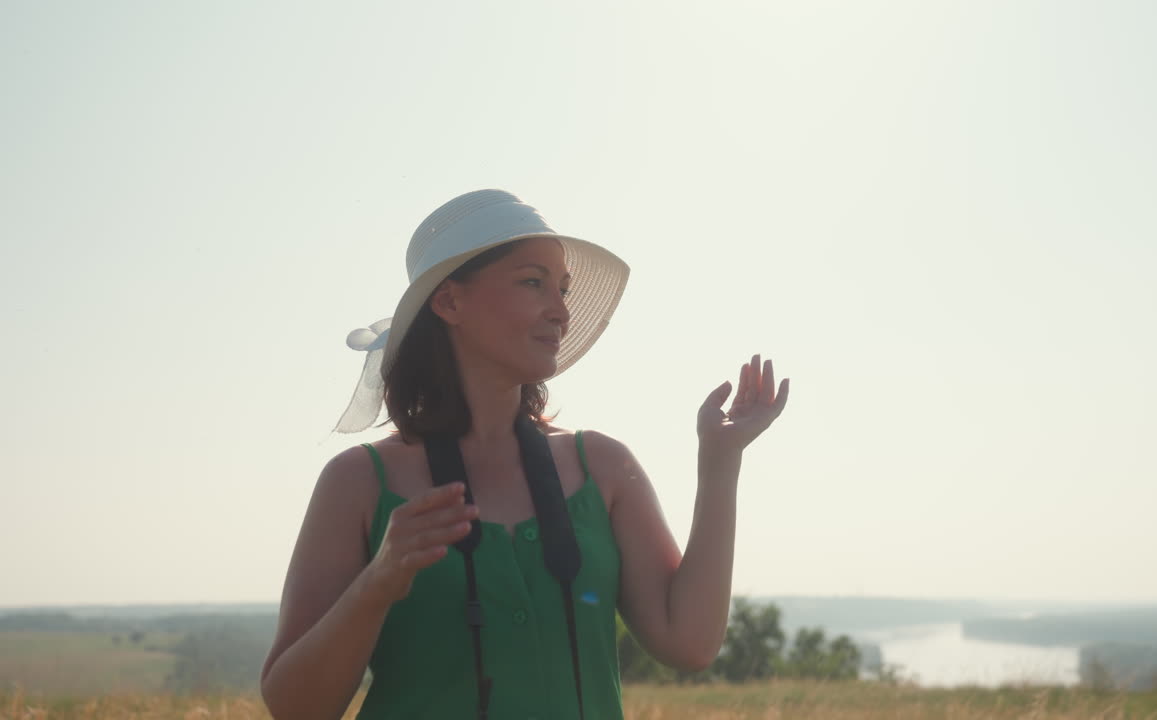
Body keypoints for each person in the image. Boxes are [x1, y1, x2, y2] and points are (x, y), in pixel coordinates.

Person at [259, 189, 790, 720]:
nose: (560, 311)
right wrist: (377, 582)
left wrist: (720, 464)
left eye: (563, 289)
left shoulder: (602, 468)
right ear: (448, 302)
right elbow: (293, 706)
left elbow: (689, 644)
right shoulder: (359, 482)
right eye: (533, 283)